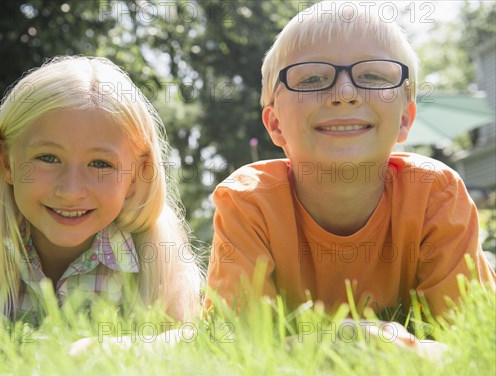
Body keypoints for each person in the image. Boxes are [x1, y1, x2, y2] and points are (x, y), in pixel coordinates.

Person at [206, 2, 495, 322]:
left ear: (403, 119)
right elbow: (241, 347)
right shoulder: (249, 203)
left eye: (372, 76)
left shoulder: (435, 194)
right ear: (275, 124)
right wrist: (354, 342)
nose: (345, 92)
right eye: (313, 79)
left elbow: (464, 343)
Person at [0, 56, 202, 323]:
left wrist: (112, 349)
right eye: (48, 158)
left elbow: (183, 338)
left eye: (100, 164)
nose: (71, 190)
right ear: (6, 161)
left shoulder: (155, 241)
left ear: (137, 175)